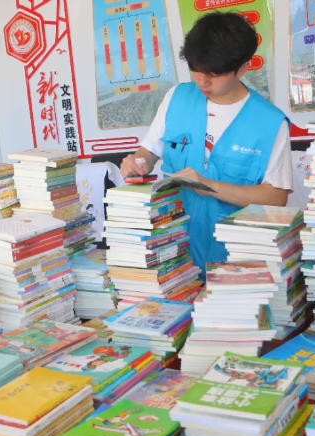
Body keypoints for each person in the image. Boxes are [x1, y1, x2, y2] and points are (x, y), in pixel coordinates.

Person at [120, 11, 293, 277]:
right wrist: (138, 162)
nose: (203, 81)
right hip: (173, 254)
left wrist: (208, 186)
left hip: (234, 262)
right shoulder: (177, 98)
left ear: (243, 68)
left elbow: (276, 197)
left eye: (214, 73)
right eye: (197, 69)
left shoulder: (270, 123)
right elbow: (150, 151)